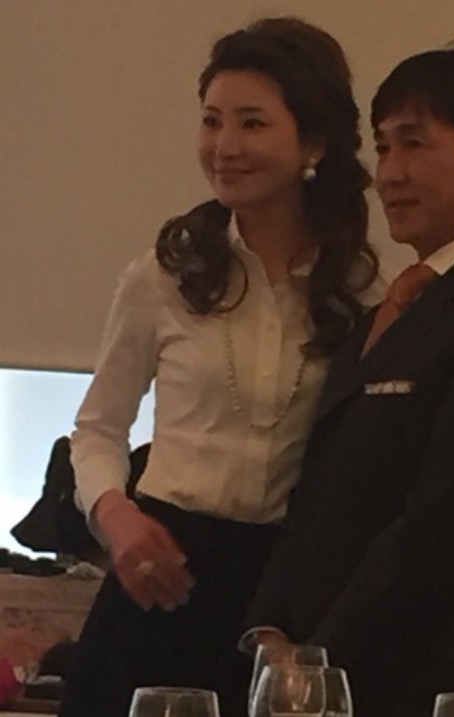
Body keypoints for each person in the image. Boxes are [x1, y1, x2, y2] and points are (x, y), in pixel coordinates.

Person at [58, 17, 378, 717]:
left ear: (314, 143)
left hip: (281, 597)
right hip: (160, 574)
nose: (224, 146)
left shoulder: (359, 289)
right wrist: (117, 516)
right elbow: (97, 429)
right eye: (211, 121)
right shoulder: (163, 274)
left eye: (252, 123)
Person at [243, 40, 454, 717]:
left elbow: (446, 529)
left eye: (415, 145)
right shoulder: (383, 311)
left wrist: (320, 661)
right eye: (383, 147)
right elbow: (320, 493)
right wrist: (272, 629)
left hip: (431, 688)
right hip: (325, 681)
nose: (390, 173)